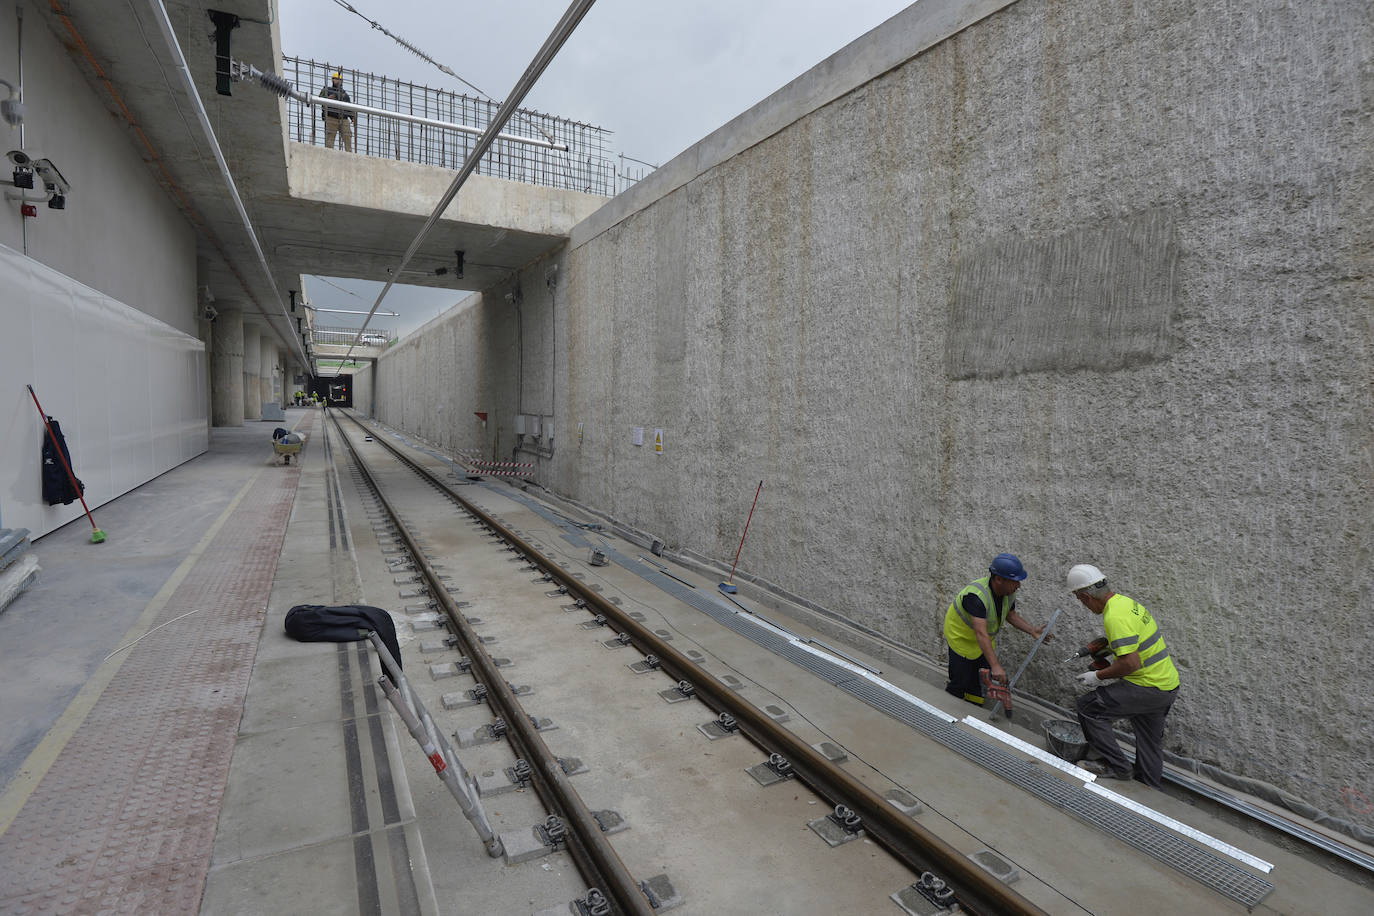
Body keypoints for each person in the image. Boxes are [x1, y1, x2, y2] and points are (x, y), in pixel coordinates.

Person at [1067, 564, 1180, 788]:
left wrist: (1097, 676)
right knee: (1149, 741)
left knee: (1089, 708)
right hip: (1166, 686)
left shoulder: (1114, 618)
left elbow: (1130, 663)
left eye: (1080, 600)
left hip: (1146, 686)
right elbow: (1133, 642)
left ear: (1086, 596)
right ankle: (1149, 789)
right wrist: (1110, 647)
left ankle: (1117, 766)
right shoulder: (1126, 604)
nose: (1083, 605)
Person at [942, 553, 1051, 705]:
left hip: (982, 644)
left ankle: (973, 709)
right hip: (962, 640)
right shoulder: (976, 596)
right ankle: (950, 711)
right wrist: (996, 666)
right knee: (960, 682)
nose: (1018, 586)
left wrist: (1031, 630)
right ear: (999, 579)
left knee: (979, 686)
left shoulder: (1007, 593)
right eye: (1015, 581)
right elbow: (981, 633)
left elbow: (1010, 615)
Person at [321, 71, 355, 152]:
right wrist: (328, 98)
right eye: (336, 79)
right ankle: (329, 153)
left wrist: (352, 117)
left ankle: (349, 154)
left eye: (339, 79)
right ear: (332, 80)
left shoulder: (345, 95)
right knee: (330, 138)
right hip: (331, 118)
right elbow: (320, 99)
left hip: (343, 119)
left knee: (347, 137)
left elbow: (349, 107)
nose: (338, 81)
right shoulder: (327, 90)